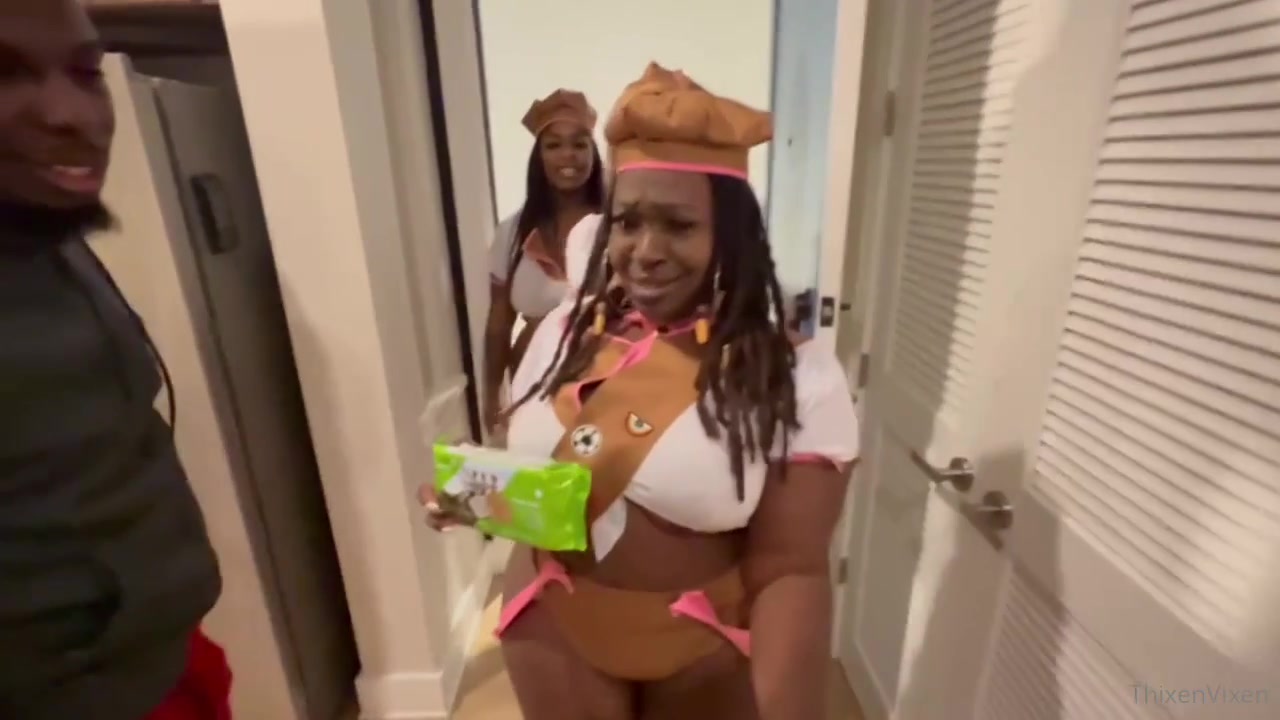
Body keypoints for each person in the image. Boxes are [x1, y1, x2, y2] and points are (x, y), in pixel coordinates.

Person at [424, 62, 859, 718]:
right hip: (553, 627)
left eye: (679, 226)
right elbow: (552, 484)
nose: (645, 251)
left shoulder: (792, 374)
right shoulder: (562, 334)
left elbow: (791, 569)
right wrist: (470, 493)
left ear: (728, 236)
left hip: (701, 646)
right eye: (627, 222)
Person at [0, 2, 227, 718]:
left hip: (169, 657)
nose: (72, 115)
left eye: (85, 70)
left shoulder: (52, 236)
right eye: (3, 74)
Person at [482, 88, 605, 435]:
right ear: (538, 157)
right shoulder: (511, 234)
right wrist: (491, 393)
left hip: (605, 395)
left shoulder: (619, 226)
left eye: (580, 144)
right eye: (553, 145)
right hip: (532, 395)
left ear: (593, 152)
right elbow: (499, 323)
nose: (568, 155)